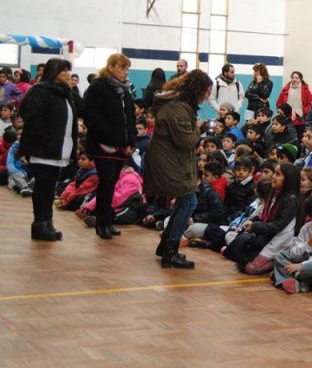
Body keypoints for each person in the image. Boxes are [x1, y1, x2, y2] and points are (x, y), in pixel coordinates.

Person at [144, 69, 213, 268]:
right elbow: (186, 140)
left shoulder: (179, 104)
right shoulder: (178, 108)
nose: (208, 95)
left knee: (186, 201)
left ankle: (167, 245)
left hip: (172, 160)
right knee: (189, 202)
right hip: (170, 161)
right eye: (207, 91)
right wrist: (198, 128)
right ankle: (170, 250)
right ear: (198, 89)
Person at [18, 58, 77, 241]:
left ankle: (47, 221)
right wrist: (47, 139)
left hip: (58, 151)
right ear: (53, 72)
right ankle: (39, 224)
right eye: (63, 71)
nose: (67, 74)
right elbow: (34, 119)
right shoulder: (40, 91)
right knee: (43, 188)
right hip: (43, 150)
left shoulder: (64, 93)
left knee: (49, 188)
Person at [83, 53, 136, 240]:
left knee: (112, 183)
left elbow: (130, 117)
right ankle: (101, 222)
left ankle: (108, 220)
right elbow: (91, 115)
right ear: (112, 67)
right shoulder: (99, 87)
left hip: (120, 146)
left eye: (127, 68)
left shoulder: (125, 91)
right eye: (122, 68)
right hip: (103, 145)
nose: (125, 72)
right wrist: (109, 135)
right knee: (106, 183)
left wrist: (131, 141)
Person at [276, 70, 312, 138]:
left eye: (297, 78)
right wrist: (282, 112)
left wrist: (301, 111)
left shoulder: (306, 91)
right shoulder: (285, 90)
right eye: (293, 77)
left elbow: (310, 105)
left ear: (300, 79)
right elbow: (279, 103)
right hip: (286, 119)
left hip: (300, 120)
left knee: (299, 138)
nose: (294, 79)